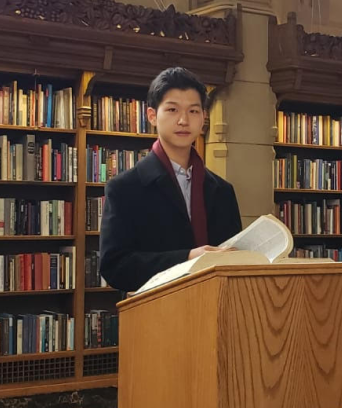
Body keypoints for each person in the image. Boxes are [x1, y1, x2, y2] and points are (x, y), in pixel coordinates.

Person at [99, 67, 242, 293]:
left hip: (216, 310)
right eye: (173, 110)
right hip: (158, 315)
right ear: (152, 116)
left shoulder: (222, 190)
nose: (184, 120)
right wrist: (188, 259)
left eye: (194, 111)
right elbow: (115, 266)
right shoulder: (125, 188)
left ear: (204, 118)